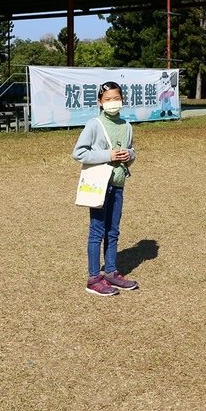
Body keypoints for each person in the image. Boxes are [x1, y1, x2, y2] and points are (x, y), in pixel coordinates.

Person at [72, 81, 140, 296]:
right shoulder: (94, 125)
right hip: (99, 185)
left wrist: (129, 155)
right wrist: (107, 155)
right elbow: (79, 153)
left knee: (113, 231)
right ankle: (94, 278)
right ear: (100, 102)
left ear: (123, 100)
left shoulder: (127, 126)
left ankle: (111, 272)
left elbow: (132, 151)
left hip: (118, 184)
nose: (113, 103)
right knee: (97, 231)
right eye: (108, 99)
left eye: (116, 98)